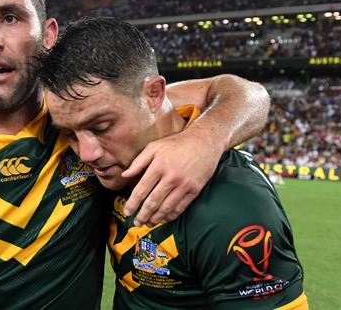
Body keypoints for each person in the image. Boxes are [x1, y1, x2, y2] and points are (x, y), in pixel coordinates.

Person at [0, 0, 270, 309]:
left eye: (10, 17)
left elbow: (244, 94)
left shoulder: (92, 121)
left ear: (49, 35)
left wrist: (203, 140)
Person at [39, 17, 307, 309]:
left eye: (102, 126)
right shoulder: (121, 154)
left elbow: (249, 93)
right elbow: (220, 89)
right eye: (70, 134)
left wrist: (205, 140)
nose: (86, 154)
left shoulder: (231, 209)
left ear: (154, 95)